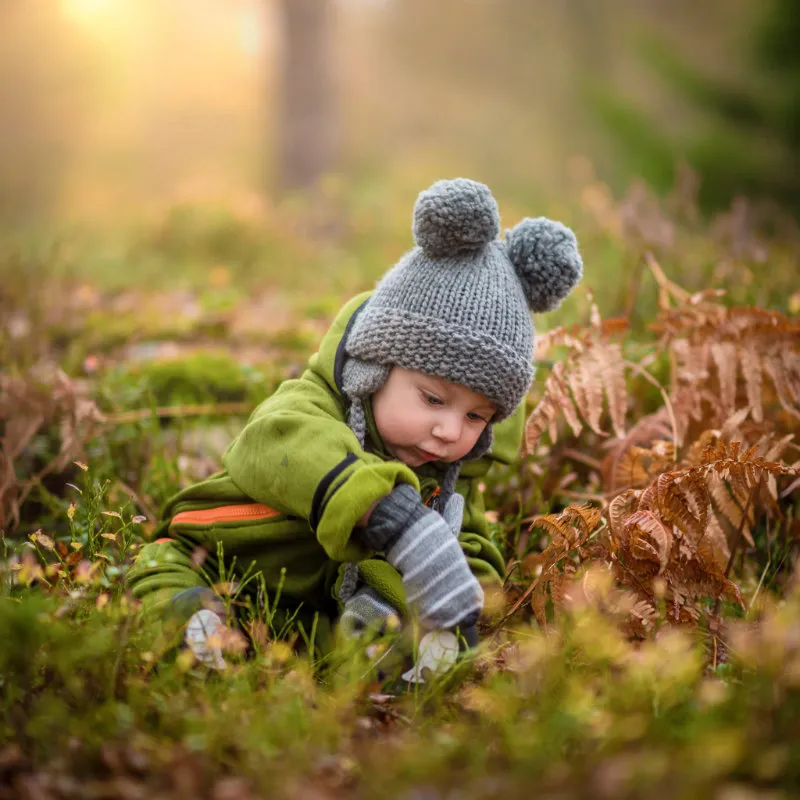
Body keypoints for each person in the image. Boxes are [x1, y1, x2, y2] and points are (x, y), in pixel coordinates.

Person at [128, 178, 583, 673]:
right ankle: (190, 625)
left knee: (392, 624)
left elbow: (468, 543)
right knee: (164, 569)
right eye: (433, 399)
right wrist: (390, 513)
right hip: (220, 554)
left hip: (308, 611)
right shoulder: (311, 406)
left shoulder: (447, 474)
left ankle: (373, 651)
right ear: (374, 369)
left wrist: (458, 601)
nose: (450, 431)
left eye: (477, 416)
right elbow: (278, 443)